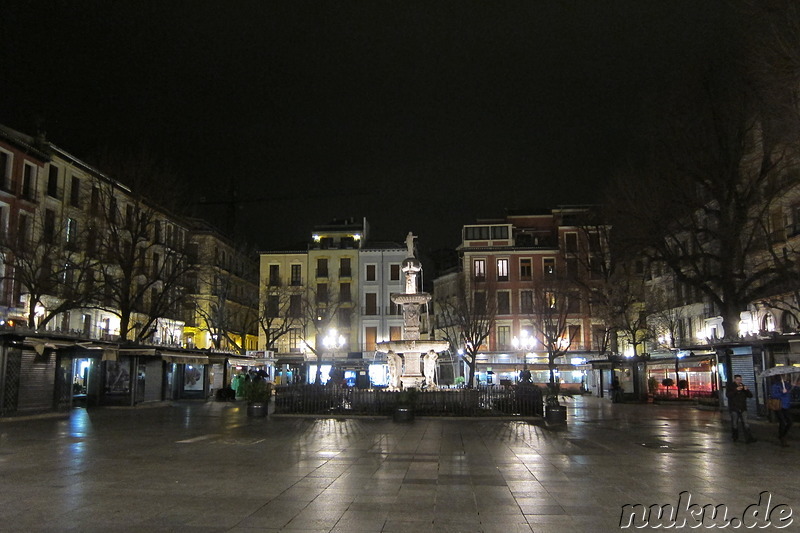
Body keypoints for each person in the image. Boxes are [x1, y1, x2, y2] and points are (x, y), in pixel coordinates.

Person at [726, 374, 757, 443]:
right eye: (737, 379)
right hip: (734, 408)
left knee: (746, 423)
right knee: (735, 423)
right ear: (734, 380)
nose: (739, 381)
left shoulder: (742, 386)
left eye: (740, 380)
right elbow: (728, 395)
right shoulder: (730, 386)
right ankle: (735, 437)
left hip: (743, 408)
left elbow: (750, 395)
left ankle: (749, 438)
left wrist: (746, 390)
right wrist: (736, 390)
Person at [770, 376, 793, 447]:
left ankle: (782, 434)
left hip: (786, 405)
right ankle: (782, 437)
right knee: (783, 422)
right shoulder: (775, 386)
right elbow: (773, 395)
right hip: (779, 406)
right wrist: (782, 392)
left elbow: (789, 390)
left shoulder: (786, 384)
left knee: (789, 422)